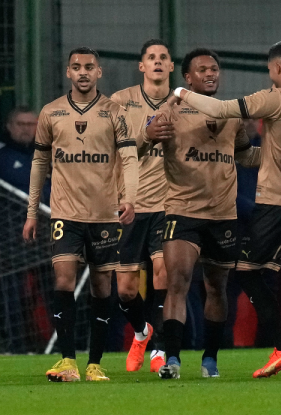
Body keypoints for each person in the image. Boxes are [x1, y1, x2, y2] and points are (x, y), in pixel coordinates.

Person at [168, 41, 281, 378]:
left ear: (276, 68)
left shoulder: (274, 97)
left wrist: (181, 93)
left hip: (280, 200)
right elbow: (254, 154)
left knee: (246, 270)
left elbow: (220, 110)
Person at [22, 47, 139, 382]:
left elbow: (129, 159)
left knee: (102, 288)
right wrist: (32, 212)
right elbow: (39, 164)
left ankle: (95, 364)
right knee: (63, 279)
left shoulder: (115, 113)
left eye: (89, 67)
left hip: (104, 215)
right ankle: (68, 361)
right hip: (64, 214)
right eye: (77, 67)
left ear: (98, 72)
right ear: (68, 73)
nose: (83, 72)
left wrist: (129, 197)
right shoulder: (51, 113)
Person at [154, 48, 261, 379]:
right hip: (183, 211)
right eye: (202, 70)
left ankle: (210, 359)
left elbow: (245, 156)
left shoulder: (231, 115)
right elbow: (145, 140)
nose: (211, 74)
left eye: (214, 68)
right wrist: (150, 130)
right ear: (188, 78)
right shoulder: (171, 112)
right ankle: (172, 359)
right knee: (178, 281)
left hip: (223, 215)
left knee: (217, 288)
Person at [110, 39, 175, 373]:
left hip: (169, 203)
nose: (158, 62)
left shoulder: (182, 103)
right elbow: (115, 150)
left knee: (163, 274)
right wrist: (147, 135)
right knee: (125, 290)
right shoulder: (121, 101)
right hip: (131, 204)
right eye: (151, 57)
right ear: (142, 66)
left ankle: (159, 350)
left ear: (172, 66)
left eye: (164, 57)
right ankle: (141, 331)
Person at [0, 106, 40, 194]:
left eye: (30, 124)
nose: (26, 129)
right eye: (20, 124)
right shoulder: (2, 158)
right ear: (9, 126)